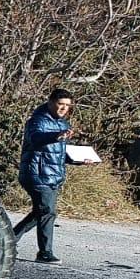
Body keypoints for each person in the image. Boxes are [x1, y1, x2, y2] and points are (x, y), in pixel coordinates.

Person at [18, 87, 79, 265]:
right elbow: (36, 138)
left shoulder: (63, 125)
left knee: (41, 212)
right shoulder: (37, 121)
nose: (64, 108)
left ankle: (7, 240)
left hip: (53, 175)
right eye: (61, 104)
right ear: (51, 102)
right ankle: (45, 253)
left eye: (67, 105)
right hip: (36, 174)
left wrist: (79, 160)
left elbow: (59, 154)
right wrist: (55, 136)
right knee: (47, 212)